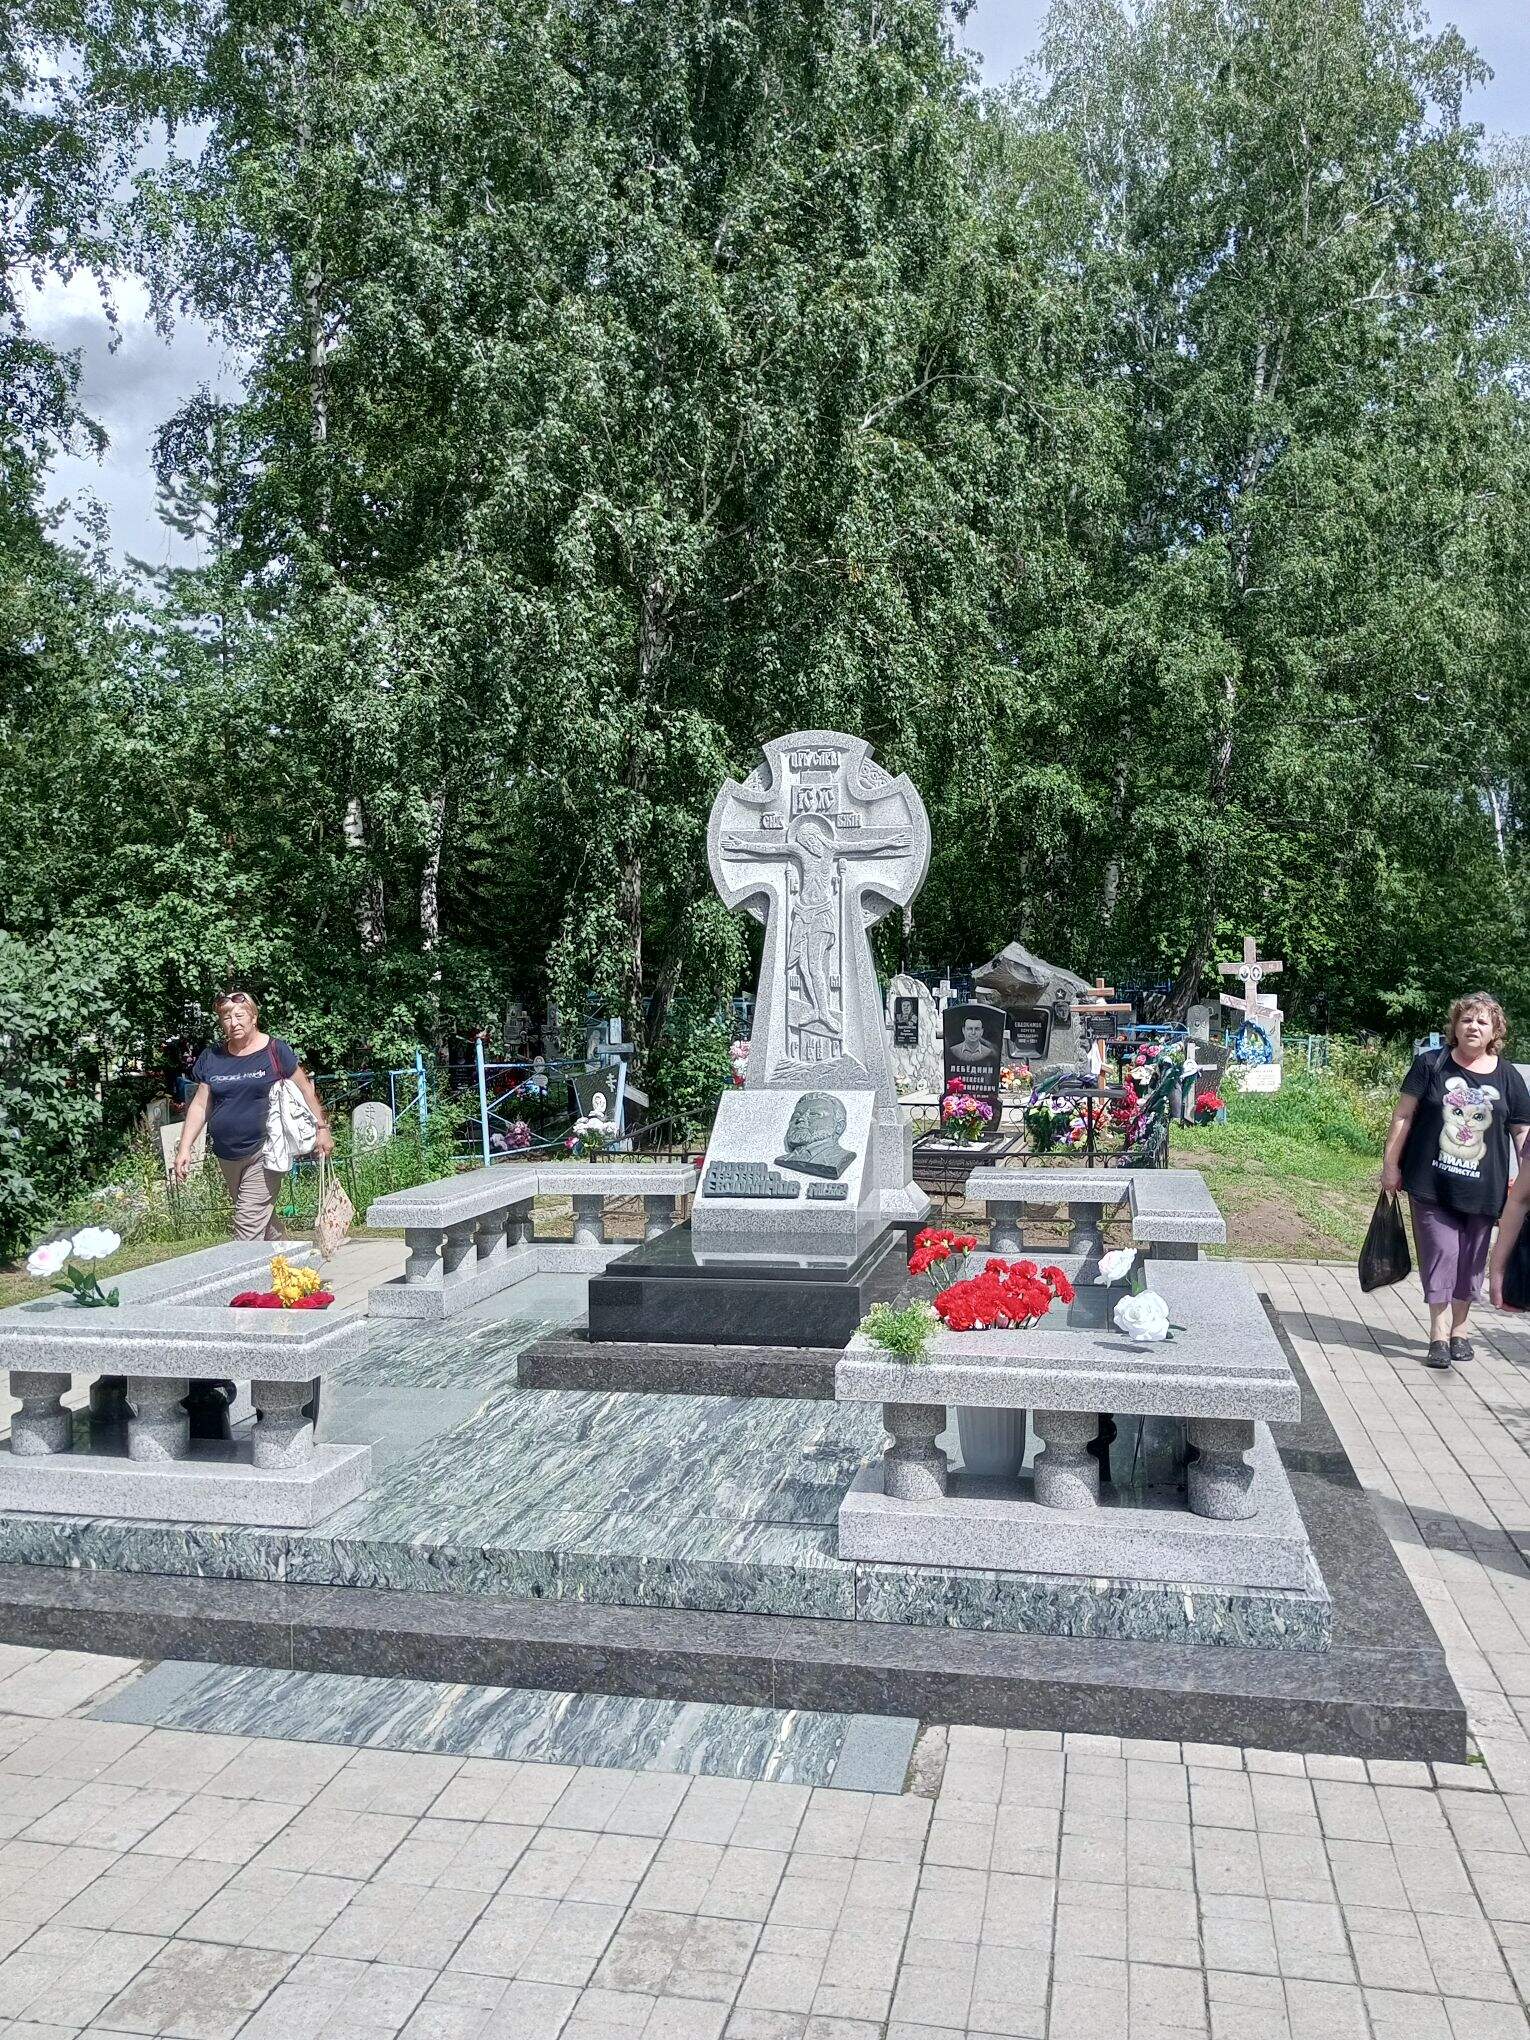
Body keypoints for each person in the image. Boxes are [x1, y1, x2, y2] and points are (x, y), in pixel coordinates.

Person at [1380, 994, 1530, 1367]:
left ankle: (1460, 1330)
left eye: (1482, 1022)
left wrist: (1526, 1181)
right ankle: (1439, 1333)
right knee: (1442, 1253)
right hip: (1430, 1182)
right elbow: (1403, 1115)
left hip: (1486, 1190)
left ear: (1495, 1031)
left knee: (1472, 1261)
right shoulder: (1431, 1064)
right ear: (1455, 1026)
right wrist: (1390, 1165)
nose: (1473, 1027)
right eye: (1466, 1020)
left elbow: (1522, 1132)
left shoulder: (1508, 1077)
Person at [173, 991, 334, 1241]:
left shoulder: (275, 1050)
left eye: (240, 1016)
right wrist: (185, 1148)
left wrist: (322, 1129)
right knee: (261, 1218)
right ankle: (288, 1258)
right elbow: (200, 1104)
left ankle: (242, 1267)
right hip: (227, 1154)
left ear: (254, 1017)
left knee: (247, 1226)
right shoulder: (212, 1057)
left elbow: (305, 1089)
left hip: (266, 1149)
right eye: (227, 1018)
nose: (233, 1023)